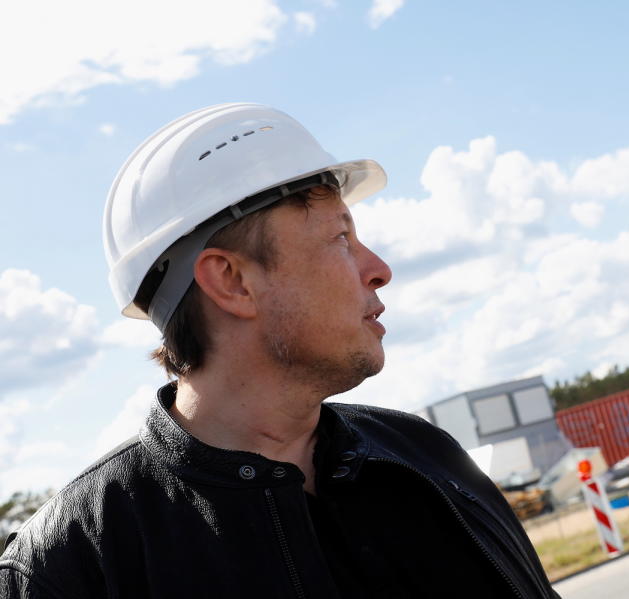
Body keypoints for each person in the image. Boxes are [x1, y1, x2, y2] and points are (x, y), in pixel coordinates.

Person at [0, 103, 559, 598]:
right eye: (341, 238)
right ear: (232, 281)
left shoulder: (425, 459)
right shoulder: (75, 563)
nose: (379, 270)